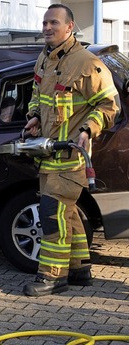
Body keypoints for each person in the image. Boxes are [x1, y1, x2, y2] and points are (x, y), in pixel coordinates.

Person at [22, 4, 119, 296]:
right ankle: (79, 269)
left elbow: (109, 105)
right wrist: (34, 117)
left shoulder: (87, 63)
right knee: (66, 211)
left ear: (70, 27)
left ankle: (52, 276)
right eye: (44, 22)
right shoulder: (44, 59)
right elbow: (37, 96)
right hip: (47, 154)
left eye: (54, 22)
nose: (47, 28)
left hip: (71, 157)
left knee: (52, 214)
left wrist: (88, 130)